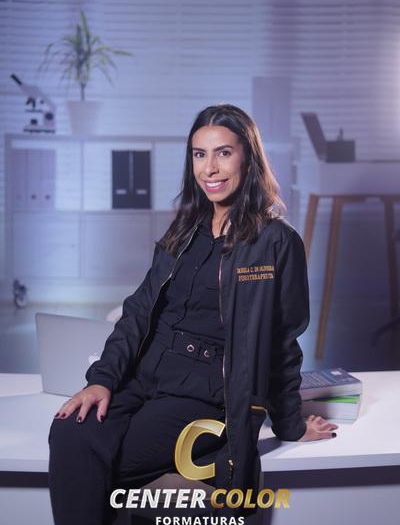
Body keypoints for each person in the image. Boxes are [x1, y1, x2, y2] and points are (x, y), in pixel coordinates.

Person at [48, 104, 338, 524]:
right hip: (146, 373)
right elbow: (139, 309)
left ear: (248, 158)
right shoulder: (185, 228)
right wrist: (102, 380)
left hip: (205, 389)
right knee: (70, 432)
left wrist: (290, 424)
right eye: (200, 154)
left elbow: (282, 340)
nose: (210, 168)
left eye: (224, 153)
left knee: (113, 459)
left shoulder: (276, 242)